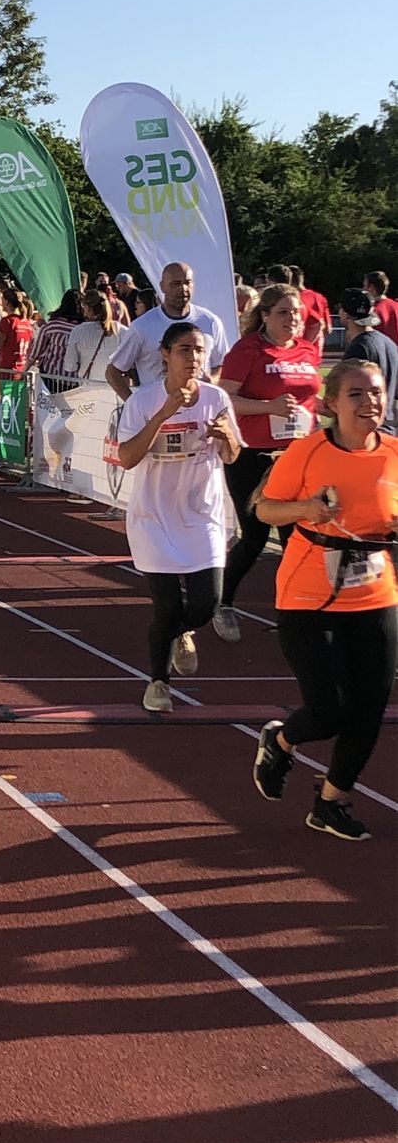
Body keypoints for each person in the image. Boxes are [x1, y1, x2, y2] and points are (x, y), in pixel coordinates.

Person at [251, 360, 398, 841]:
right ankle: (281, 740)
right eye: (356, 394)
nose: (369, 402)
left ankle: (331, 803)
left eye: (376, 392)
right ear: (332, 403)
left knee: (369, 709)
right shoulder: (308, 451)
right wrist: (306, 508)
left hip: (375, 592)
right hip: (308, 596)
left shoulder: (394, 452)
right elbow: (264, 508)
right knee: (330, 710)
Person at [116, 322, 242, 711]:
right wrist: (163, 415)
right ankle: (158, 683)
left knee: (208, 603)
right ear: (166, 355)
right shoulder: (142, 400)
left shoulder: (216, 397)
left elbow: (233, 454)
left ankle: (182, 633)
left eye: (200, 350)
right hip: (154, 517)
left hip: (202, 515)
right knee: (167, 607)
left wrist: (226, 436)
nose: (194, 358)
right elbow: (127, 457)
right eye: (185, 350)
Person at [213, 285, 322, 642]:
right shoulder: (248, 350)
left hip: (297, 455)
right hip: (254, 455)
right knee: (256, 536)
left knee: (297, 536)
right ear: (265, 315)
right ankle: (223, 602)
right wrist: (268, 408)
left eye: (297, 313)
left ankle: (295, 611)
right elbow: (224, 398)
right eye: (283, 312)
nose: (293, 319)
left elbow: (309, 398)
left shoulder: (307, 349)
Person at [105, 262, 229, 401]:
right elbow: (113, 372)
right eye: (176, 284)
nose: (183, 288)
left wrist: (213, 380)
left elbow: (222, 364)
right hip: (157, 408)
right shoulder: (142, 326)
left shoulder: (210, 322)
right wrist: (134, 404)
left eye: (187, 282)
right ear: (162, 286)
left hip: (199, 407)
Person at [340, 287, 398, 432]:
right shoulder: (389, 344)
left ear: (345, 314)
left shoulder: (359, 348)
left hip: (367, 427)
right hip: (389, 427)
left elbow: (345, 396)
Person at [63, 289, 127, 383]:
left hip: (89, 386)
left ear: (88, 308)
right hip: (115, 386)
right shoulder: (120, 329)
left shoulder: (78, 331)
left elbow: (70, 366)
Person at [26, 289, 83, 389]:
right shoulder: (83, 330)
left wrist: (23, 372)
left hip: (51, 377)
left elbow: (35, 353)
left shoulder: (51, 326)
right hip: (74, 380)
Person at [0, 287, 34, 376]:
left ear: (6, 301)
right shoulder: (27, 323)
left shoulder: (8, 321)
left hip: (6, 372)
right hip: (21, 372)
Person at [287, 265, 330, 346]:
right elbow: (327, 328)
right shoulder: (319, 297)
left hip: (297, 347)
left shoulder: (291, 300)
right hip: (316, 348)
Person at [363, 271, 398, 347]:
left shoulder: (372, 310)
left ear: (371, 287)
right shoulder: (396, 305)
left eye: (364, 286)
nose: (363, 289)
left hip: (383, 351)